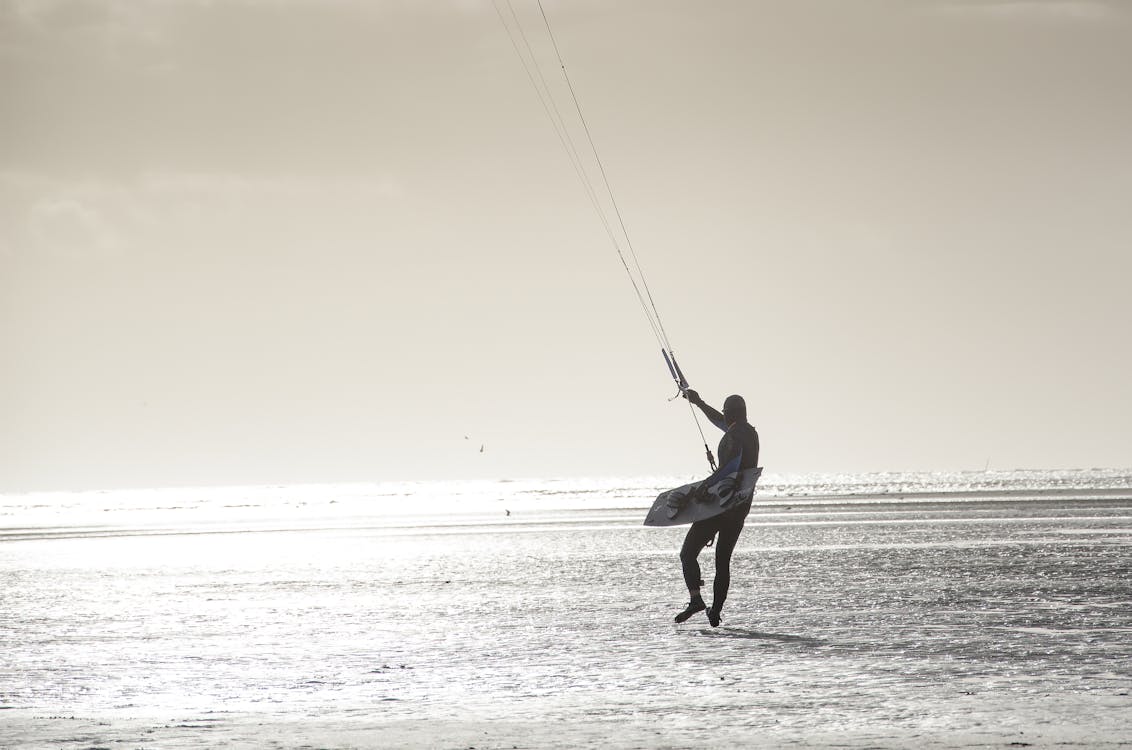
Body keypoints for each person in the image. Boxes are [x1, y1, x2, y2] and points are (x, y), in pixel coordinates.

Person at [674, 390, 760, 627]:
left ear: (730, 414)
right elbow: (720, 422)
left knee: (687, 553)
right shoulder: (748, 433)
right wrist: (699, 403)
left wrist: (702, 488)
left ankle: (696, 600)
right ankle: (716, 611)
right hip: (740, 508)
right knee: (722, 561)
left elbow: (729, 468)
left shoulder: (734, 436)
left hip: (720, 506)